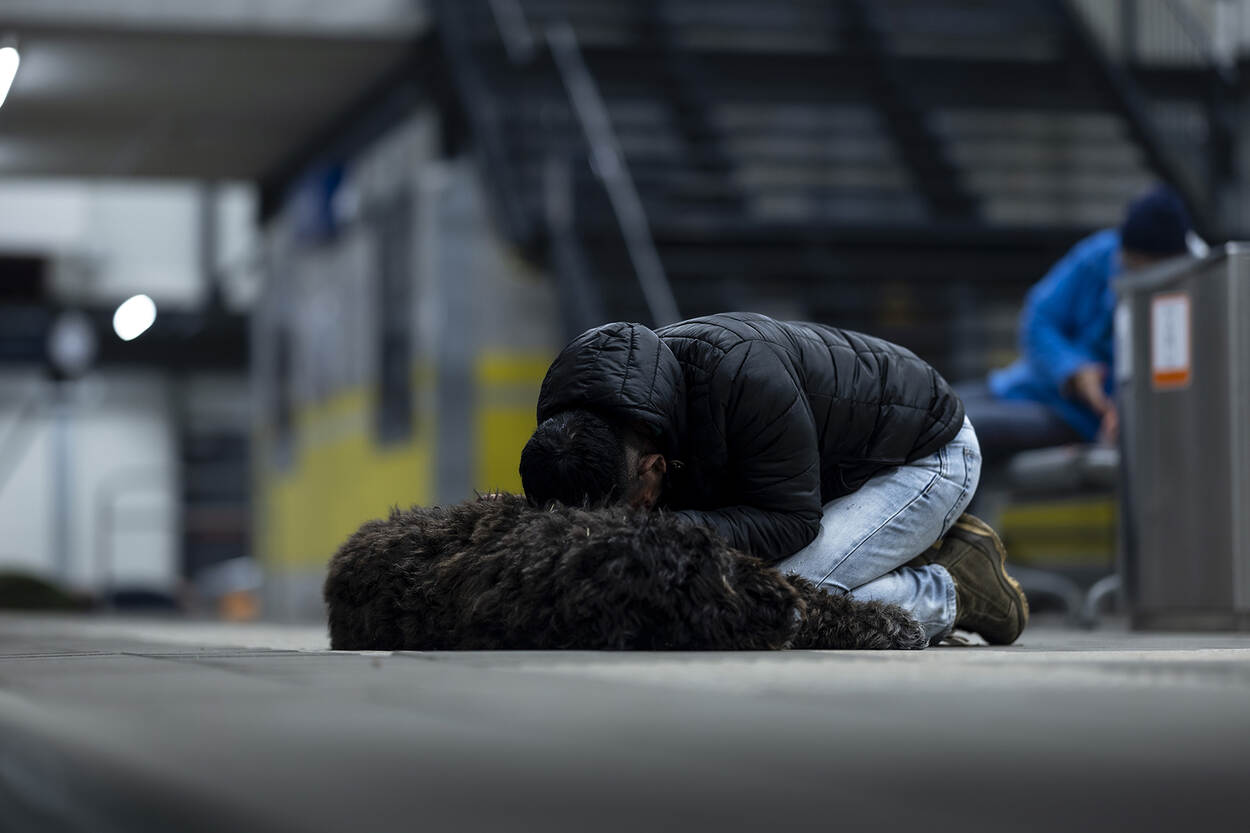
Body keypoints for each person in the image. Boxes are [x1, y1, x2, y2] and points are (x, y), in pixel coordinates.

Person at [519, 312, 1028, 645]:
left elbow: (790, 521)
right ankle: (903, 548)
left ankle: (953, 584)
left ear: (654, 468)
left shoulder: (742, 376)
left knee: (778, 602)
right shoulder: (581, 425)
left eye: (635, 507)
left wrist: (666, 533)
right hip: (821, 474)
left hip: (926, 454)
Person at [958, 184, 1193, 465]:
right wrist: (1074, 370)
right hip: (1027, 386)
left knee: (961, 433)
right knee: (930, 413)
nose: (1127, 270)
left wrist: (1122, 411)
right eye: (1127, 262)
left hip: (1074, 419)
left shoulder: (1182, 299)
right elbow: (1039, 319)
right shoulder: (1100, 255)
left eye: (1138, 267)